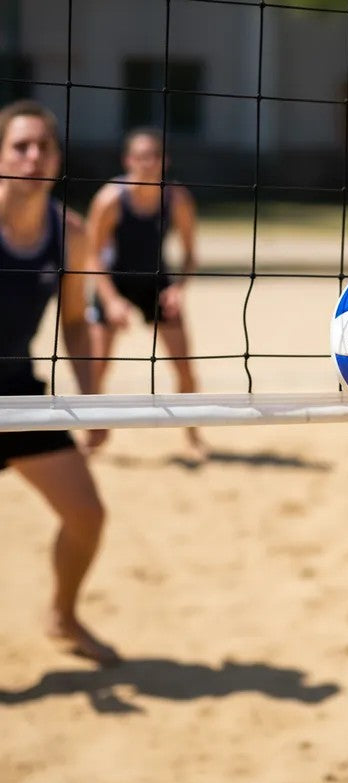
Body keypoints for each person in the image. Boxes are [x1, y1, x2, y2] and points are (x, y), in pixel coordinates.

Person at [0, 99, 119, 664]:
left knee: (87, 516)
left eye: (43, 145)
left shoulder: (69, 233)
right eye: (20, 145)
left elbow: (74, 319)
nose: (32, 155)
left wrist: (91, 400)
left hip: (18, 396)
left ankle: (62, 615)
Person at [86, 127, 205, 456]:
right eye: (140, 157)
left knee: (185, 368)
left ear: (164, 161)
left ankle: (192, 434)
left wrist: (179, 288)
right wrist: (110, 301)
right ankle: (93, 435)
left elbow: (191, 254)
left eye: (154, 156)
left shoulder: (176, 198)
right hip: (115, 282)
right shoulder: (110, 198)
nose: (147, 163)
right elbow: (91, 256)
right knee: (94, 367)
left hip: (158, 284)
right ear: (128, 161)